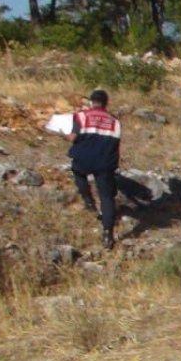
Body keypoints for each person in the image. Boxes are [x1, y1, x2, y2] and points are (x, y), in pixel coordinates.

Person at [64, 89, 121, 249]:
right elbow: (116, 145)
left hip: (84, 159)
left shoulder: (82, 116)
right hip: (105, 163)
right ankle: (108, 234)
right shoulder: (115, 121)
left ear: (91, 101)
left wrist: (62, 134)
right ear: (106, 103)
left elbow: (73, 137)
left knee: (78, 173)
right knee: (107, 198)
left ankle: (88, 202)